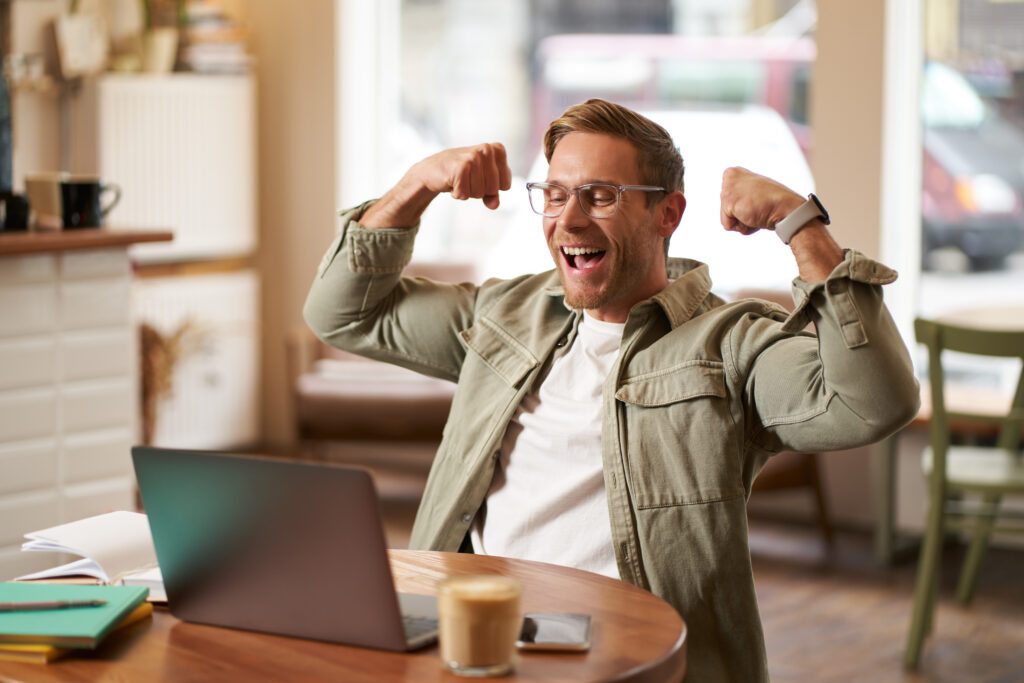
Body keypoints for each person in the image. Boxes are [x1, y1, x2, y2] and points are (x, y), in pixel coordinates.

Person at [304, 98, 919, 681]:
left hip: (630, 652)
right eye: (555, 193)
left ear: (668, 214)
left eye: (600, 196)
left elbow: (875, 401)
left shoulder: (730, 343)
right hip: (477, 635)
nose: (568, 219)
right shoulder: (505, 314)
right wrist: (416, 184)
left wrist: (801, 226)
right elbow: (343, 315)